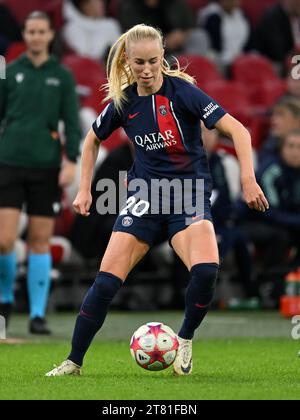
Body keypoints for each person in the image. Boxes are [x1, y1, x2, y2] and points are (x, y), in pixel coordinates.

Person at [45, 24, 268, 377]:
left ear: (163, 57)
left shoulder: (184, 93)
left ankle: (185, 339)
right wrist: (85, 188)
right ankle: (73, 361)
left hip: (188, 194)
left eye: (153, 61)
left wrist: (248, 178)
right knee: (105, 282)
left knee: (207, 270)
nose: (146, 70)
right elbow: (91, 140)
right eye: (138, 63)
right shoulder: (123, 101)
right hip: (145, 198)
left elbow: (238, 129)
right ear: (127, 62)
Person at [0, 11, 81, 334]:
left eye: (41, 32)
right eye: (30, 31)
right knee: (4, 240)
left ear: (50, 35)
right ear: (24, 34)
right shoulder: (8, 71)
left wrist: (72, 160)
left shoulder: (62, 76)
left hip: (46, 166)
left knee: (40, 240)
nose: (35, 37)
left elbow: (72, 122)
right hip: (8, 161)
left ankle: (36, 314)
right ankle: (5, 302)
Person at [240, 129, 300, 270]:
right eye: (291, 146)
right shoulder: (270, 171)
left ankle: (293, 275)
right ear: (281, 149)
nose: (295, 152)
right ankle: (269, 280)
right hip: (254, 220)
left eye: (299, 147)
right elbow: (268, 211)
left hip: (285, 221)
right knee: (281, 235)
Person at [198, 0, 252, 69]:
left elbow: (249, 44)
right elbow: (211, 46)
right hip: (219, 60)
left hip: (240, 59)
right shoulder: (212, 17)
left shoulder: (243, 17)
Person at [255, 0, 300, 71]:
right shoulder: (272, 17)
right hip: (272, 63)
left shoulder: (295, 17)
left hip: (293, 60)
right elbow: (277, 53)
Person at [259, 96, 300, 165]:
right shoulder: (269, 146)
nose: (273, 119)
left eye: (281, 115)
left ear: (297, 120)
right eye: (274, 115)